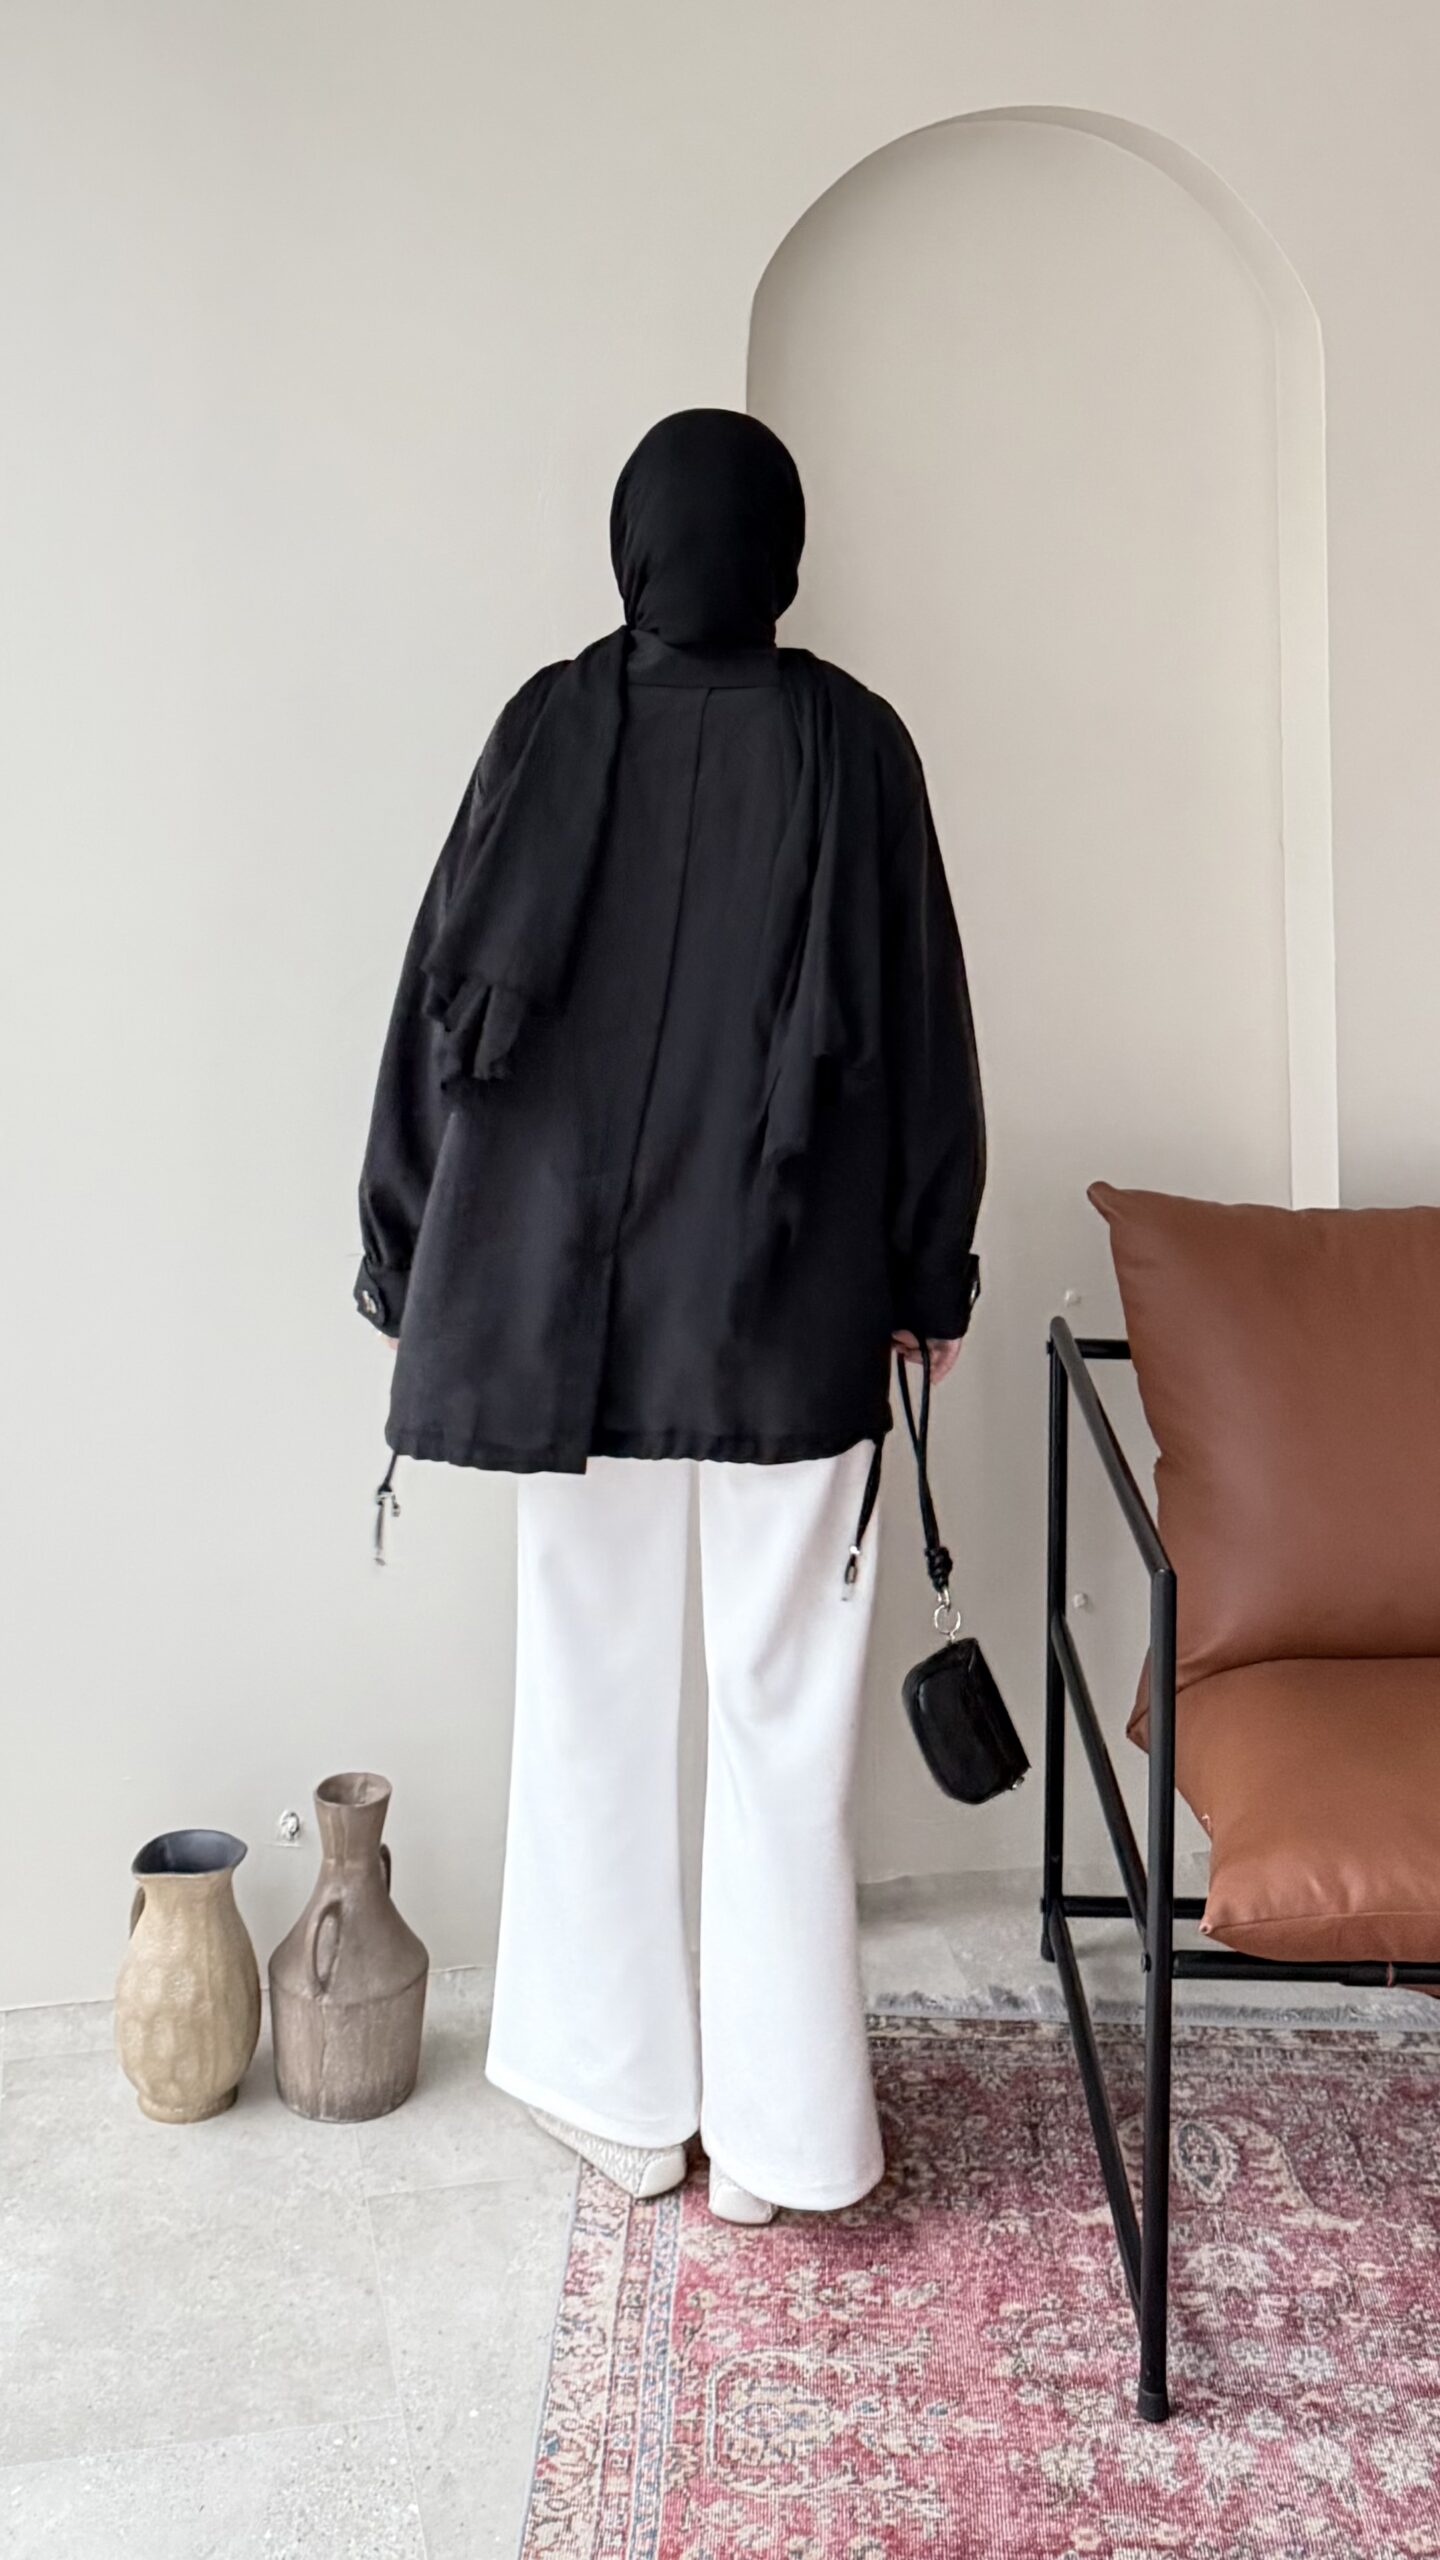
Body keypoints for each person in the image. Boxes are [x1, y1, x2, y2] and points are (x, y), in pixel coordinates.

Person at [353, 408, 985, 2222]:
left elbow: (442, 1000)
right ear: (780, 548)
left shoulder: (549, 725)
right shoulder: (855, 745)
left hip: (570, 1319)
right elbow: (924, 1029)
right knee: (787, 1722)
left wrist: (410, 1249)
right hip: (791, 1309)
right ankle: (788, 2141)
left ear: (634, 542)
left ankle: (616, 2097)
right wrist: (927, 1269)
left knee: (590, 1699)